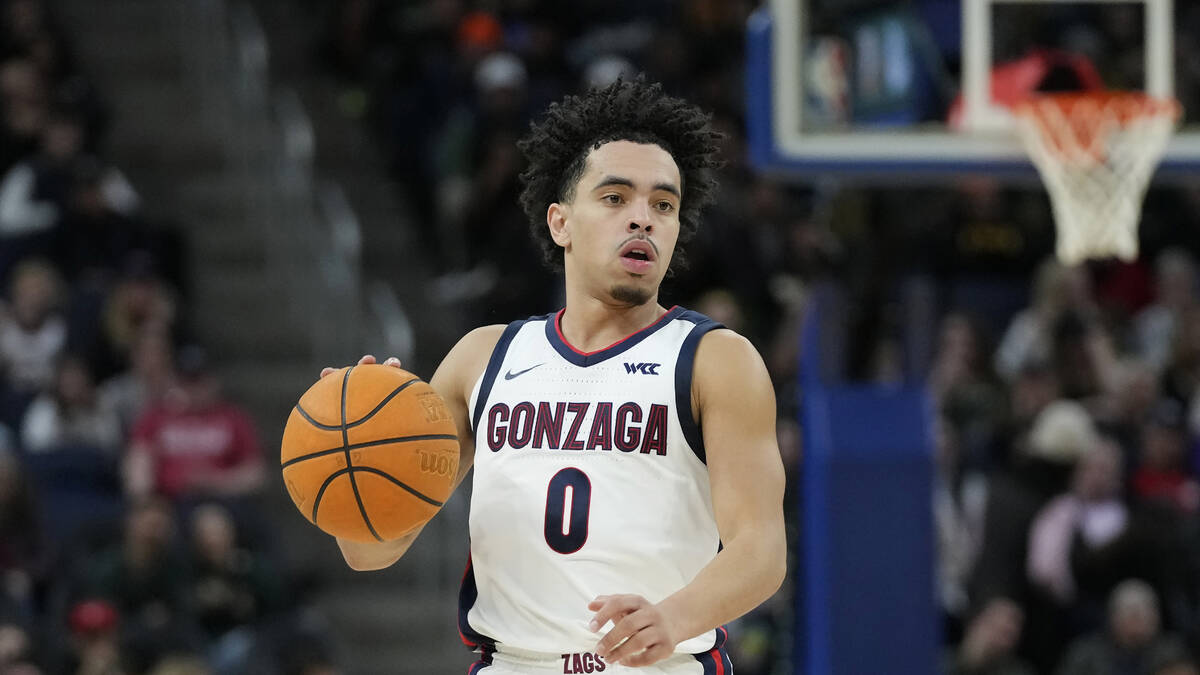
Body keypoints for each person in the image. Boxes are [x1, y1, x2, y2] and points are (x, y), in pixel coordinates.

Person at [320, 78, 787, 672]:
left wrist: (673, 618)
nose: (643, 219)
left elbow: (762, 551)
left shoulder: (715, 359)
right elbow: (370, 552)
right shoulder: (481, 359)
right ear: (561, 222)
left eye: (663, 205)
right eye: (615, 198)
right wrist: (352, 455)